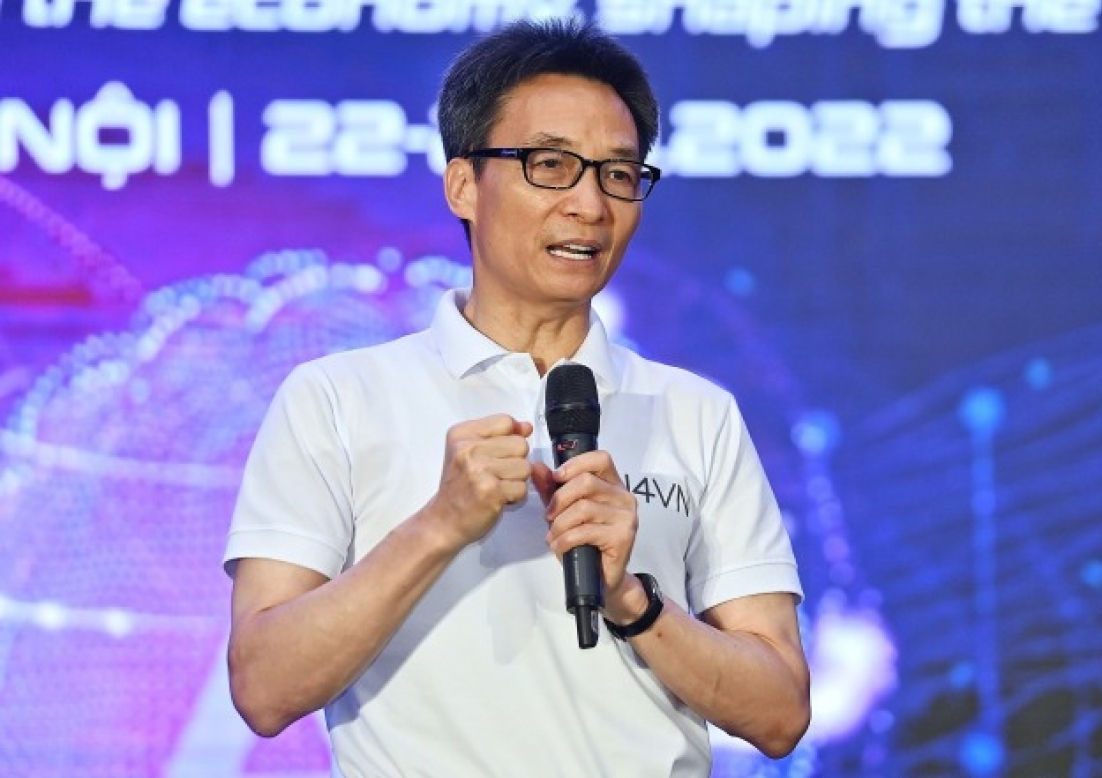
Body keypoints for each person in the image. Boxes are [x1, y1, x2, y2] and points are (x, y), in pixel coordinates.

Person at [224, 19, 810, 777]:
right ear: (464, 185)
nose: (590, 205)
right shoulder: (337, 398)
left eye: (618, 173)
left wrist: (634, 601)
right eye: (551, 165)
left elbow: (780, 712)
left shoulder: (696, 413)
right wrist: (439, 524)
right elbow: (264, 688)